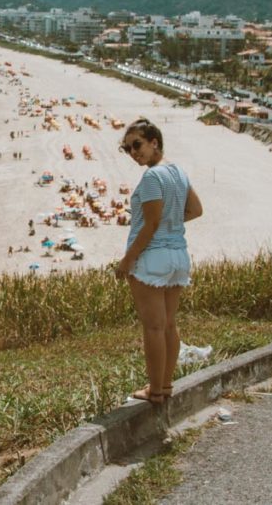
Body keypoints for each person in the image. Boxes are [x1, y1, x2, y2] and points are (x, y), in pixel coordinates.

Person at [114, 118, 204, 404]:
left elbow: (149, 225)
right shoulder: (178, 171)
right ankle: (164, 387)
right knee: (168, 325)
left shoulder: (152, 177)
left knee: (153, 327)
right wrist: (171, 223)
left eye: (137, 144)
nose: (133, 152)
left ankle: (154, 391)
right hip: (178, 255)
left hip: (152, 258)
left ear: (155, 142)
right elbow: (196, 210)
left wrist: (127, 261)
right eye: (128, 148)